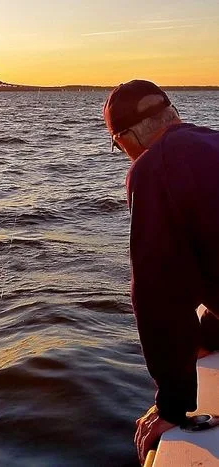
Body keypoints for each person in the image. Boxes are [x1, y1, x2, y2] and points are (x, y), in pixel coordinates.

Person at [102, 80, 219, 465]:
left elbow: (158, 297)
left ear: (128, 137)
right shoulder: (211, 144)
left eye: (117, 147)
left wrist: (172, 407)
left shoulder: (155, 168)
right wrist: (211, 335)